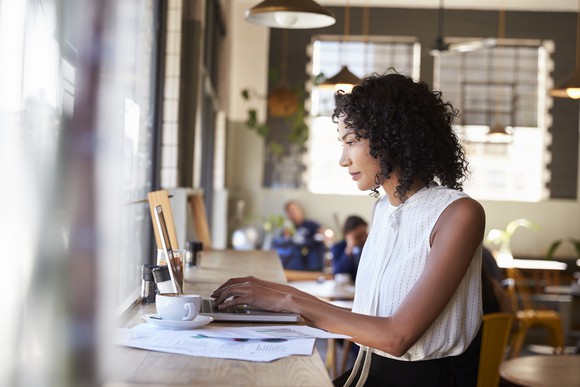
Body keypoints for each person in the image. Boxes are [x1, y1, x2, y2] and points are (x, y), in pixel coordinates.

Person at [211, 70, 485, 386]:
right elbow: (366, 318)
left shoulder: (458, 214)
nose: (343, 159)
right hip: (364, 375)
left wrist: (288, 300)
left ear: (393, 137)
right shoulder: (382, 209)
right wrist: (270, 290)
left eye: (352, 141)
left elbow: (397, 336)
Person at [271, 200, 326, 271]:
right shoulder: (287, 228)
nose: (292, 213)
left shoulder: (312, 225)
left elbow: (323, 236)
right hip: (292, 266)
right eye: (289, 211)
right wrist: (287, 236)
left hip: (311, 264)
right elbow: (283, 246)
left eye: (294, 210)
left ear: (300, 210)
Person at [330, 215, 368, 282]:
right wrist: (350, 248)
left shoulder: (368, 247)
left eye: (365, 234)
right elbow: (338, 271)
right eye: (358, 236)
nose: (363, 239)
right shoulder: (337, 247)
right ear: (347, 234)